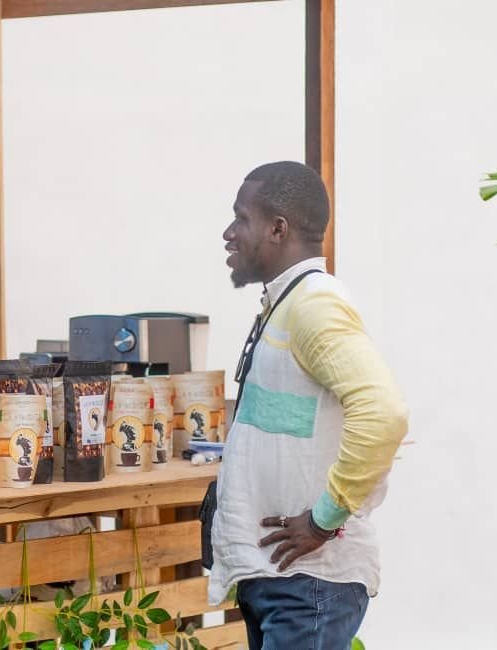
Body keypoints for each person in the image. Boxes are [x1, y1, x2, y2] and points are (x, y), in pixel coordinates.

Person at [209, 161, 408, 649]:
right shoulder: (288, 303)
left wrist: (324, 519)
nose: (228, 233)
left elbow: (384, 414)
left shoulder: (314, 305)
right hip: (281, 581)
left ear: (278, 228)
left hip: (308, 586)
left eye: (241, 218)